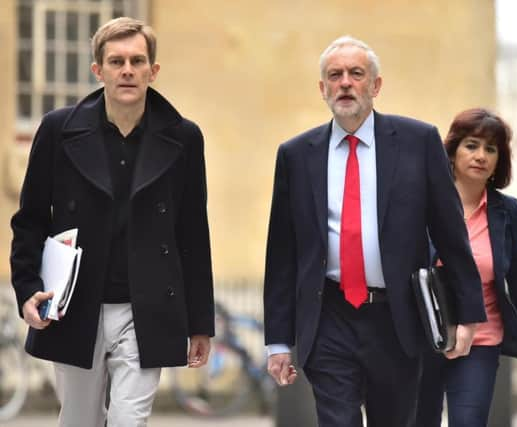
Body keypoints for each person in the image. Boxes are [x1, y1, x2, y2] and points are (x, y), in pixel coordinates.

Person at [263, 35, 487, 427]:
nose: (345, 83)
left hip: (396, 319)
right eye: (335, 75)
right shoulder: (296, 155)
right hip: (328, 315)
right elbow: (282, 253)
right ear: (322, 89)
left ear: (376, 86)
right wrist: (278, 342)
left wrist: (466, 317)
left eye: (356, 74)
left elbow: (451, 235)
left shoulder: (418, 142)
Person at [10, 17, 214, 426]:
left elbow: (192, 232)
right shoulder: (57, 131)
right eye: (116, 61)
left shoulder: (184, 138)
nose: (127, 70)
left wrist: (200, 323)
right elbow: (30, 219)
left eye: (137, 61)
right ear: (97, 70)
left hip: (147, 307)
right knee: (79, 420)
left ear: (152, 71)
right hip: (73, 304)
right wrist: (28, 288)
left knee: (128, 419)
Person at [416, 108, 517, 427]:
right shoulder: (423, 202)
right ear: (452, 152)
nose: (481, 155)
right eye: (472, 145)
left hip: (482, 339)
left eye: (491, 149)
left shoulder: (506, 211)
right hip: (424, 336)